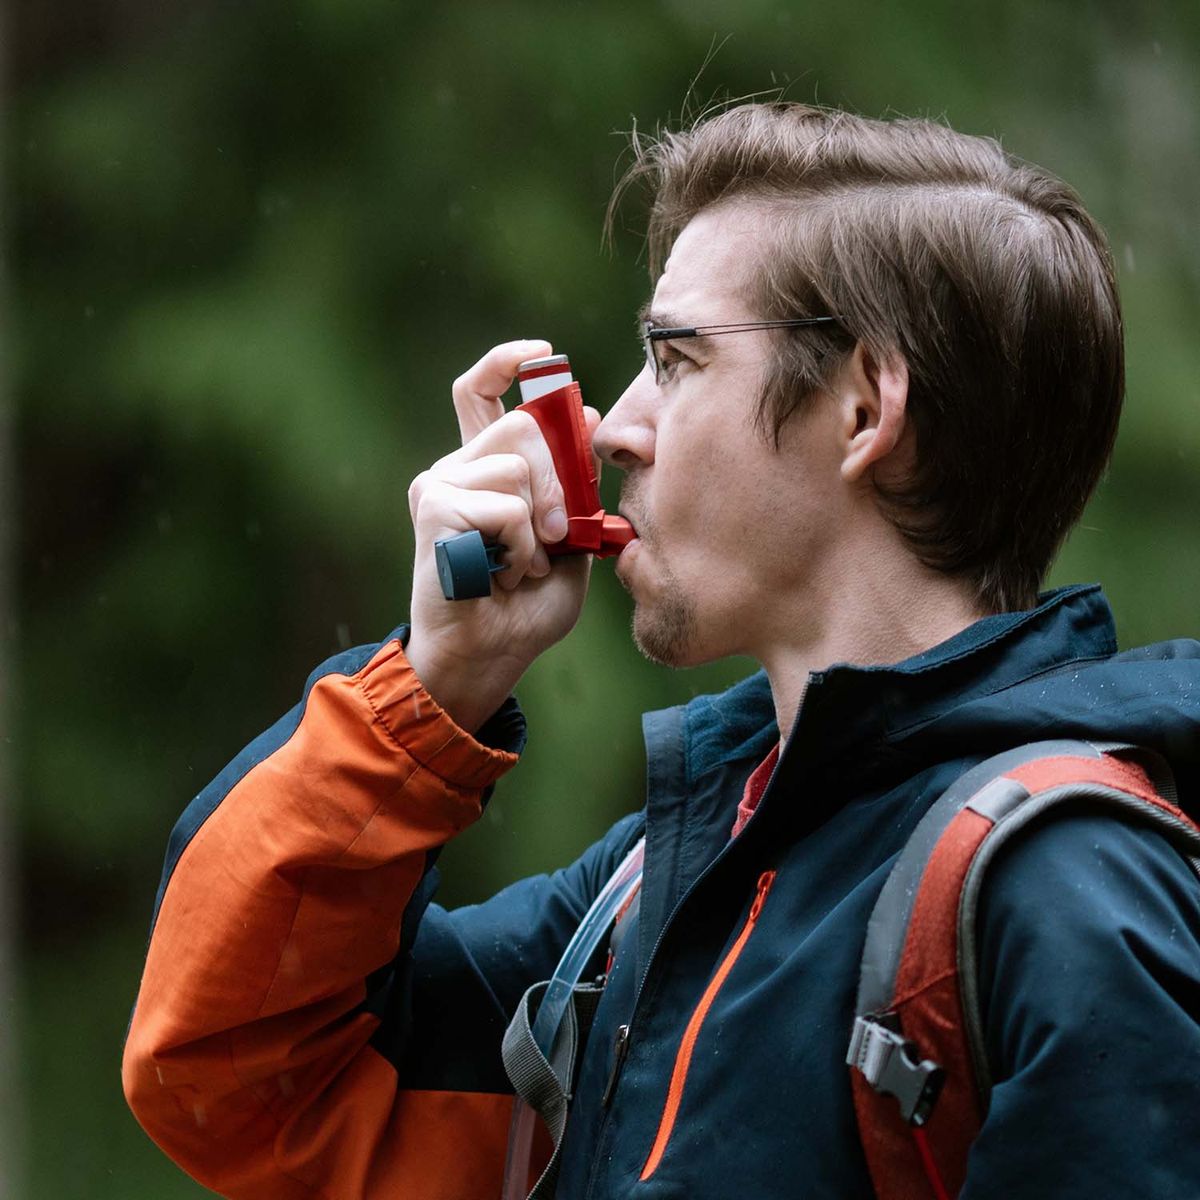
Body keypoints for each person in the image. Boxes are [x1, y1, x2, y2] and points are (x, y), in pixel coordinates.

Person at [122, 103, 1200, 1199]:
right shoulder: (650, 893)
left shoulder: (1071, 895)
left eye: (675, 360)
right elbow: (237, 1082)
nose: (609, 429)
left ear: (867, 408)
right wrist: (433, 693)